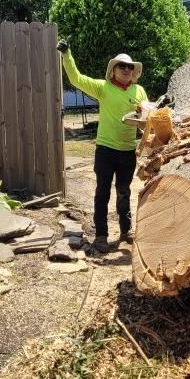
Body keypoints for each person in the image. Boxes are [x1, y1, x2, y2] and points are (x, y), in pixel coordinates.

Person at [58, 40, 147, 252]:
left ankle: (126, 231)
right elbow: (76, 78)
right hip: (106, 150)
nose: (126, 69)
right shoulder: (103, 87)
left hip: (127, 151)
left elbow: (147, 117)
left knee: (124, 192)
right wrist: (67, 54)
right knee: (102, 192)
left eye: (129, 67)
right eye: (122, 66)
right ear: (113, 70)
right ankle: (101, 236)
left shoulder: (139, 91)